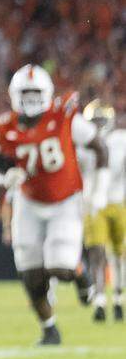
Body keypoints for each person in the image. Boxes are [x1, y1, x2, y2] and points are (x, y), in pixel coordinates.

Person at [0, 65, 107, 345]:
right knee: (30, 273)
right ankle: (49, 328)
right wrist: (6, 177)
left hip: (64, 200)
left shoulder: (64, 117)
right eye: (25, 94)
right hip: (28, 202)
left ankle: (79, 273)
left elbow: (99, 147)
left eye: (35, 93)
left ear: (47, 93)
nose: (30, 99)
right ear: (15, 95)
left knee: (60, 267)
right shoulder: (5, 126)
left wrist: (97, 191)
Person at [78, 100, 126, 323]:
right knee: (97, 253)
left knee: (119, 255)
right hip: (93, 206)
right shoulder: (82, 145)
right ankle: (99, 301)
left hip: (118, 202)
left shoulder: (121, 140)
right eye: (94, 120)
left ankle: (118, 298)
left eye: (101, 120)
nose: (98, 125)